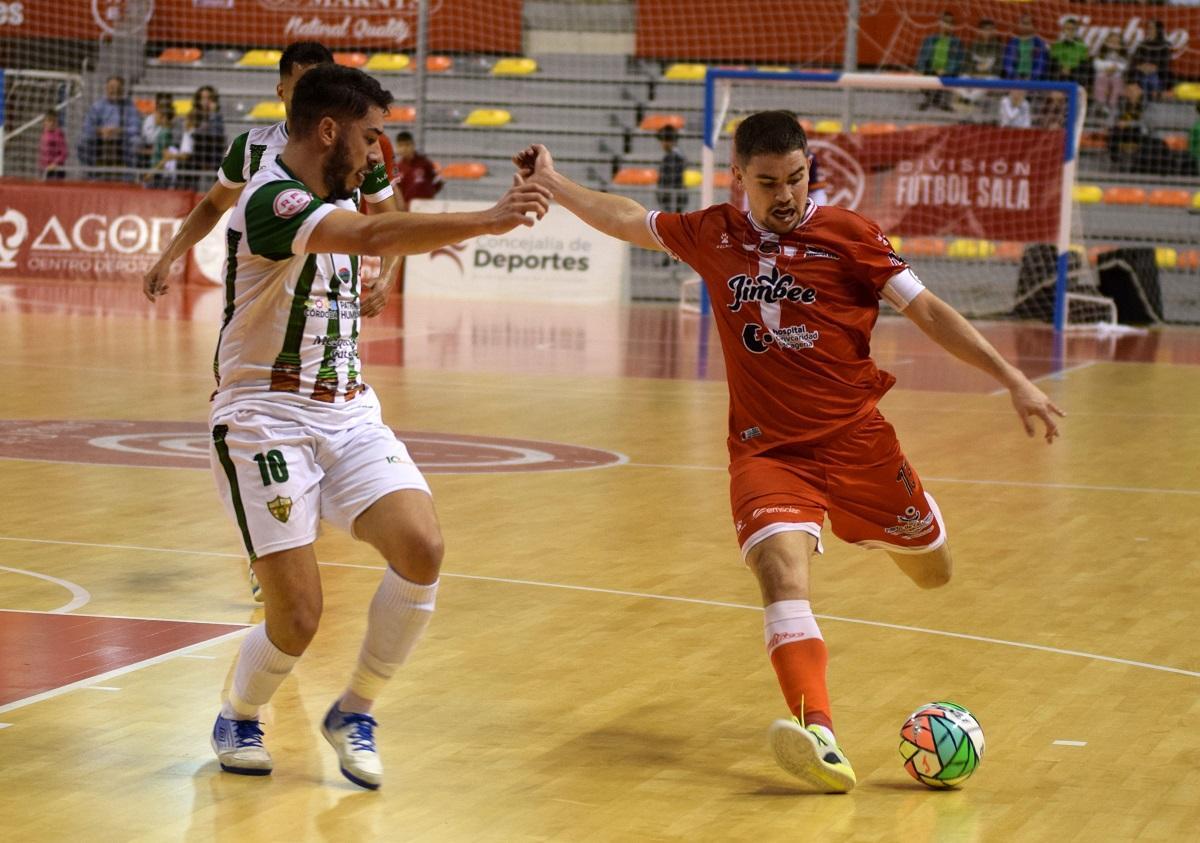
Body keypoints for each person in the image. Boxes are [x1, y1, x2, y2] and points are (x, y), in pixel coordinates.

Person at [513, 111, 1063, 793]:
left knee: (934, 573)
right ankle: (821, 736)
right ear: (738, 176)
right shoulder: (714, 232)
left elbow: (929, 311)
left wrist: (1012, 378)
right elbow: (628, 219)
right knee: (778, 570)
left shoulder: (851, 236)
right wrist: (555, 181)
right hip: (767, 450)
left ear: (812, 172)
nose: (785, 195)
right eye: (767, 181)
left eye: (797, 179)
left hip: (857, 443)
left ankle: (884, 527)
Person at [168, 63, 550, 790]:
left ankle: (355, 709)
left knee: (423, 544)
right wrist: (490, 218)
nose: (379, 157)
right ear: (328, 130)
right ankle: (239, 712)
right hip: (264, 419)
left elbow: (371, 242)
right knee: (300, 616)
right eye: (372, 139)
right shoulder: (273, 199)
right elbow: (374, 236)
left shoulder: (336, 193)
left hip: (346, 409)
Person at [143, 41, 404, 602]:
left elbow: (388, 219)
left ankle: (298, 533)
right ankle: (273, 549)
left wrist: (387, 275)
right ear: (282, 88)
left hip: (327, 311)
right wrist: (170, 253)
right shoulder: (252, 150)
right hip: (267, 307)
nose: (310, 88)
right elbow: (214, 205)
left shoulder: (361, 151)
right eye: (302, 79)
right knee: (261, 406)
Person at [78, 75, 141, 181]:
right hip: (101, 139)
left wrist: (119, 131)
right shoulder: (97, 106)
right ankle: (92, 175)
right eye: (112, 87)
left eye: (118, 87)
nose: (115, 90)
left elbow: (136, 128)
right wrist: (100, 131)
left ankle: (129, 178)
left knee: (136, 141)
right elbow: (87, 127)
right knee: (83, 141)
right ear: (106, 88)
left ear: (122, 89)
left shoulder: (130, 106)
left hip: (122, 139)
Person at [915, 10, 964, 111]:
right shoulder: (930, 39)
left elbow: (958, 60)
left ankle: (943, 101)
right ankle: (928, 99)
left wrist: (946, 70)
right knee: (923, 77)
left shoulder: (956, 42)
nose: (946, 25)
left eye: (950, 23)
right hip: (931, 69)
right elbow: (922, 56)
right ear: (940, 23)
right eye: (945, 22)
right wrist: (920, 69)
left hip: (947, 71)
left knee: (949, 77)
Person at [391, 130, 442, 209]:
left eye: (407, 145)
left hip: (427, 207)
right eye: (401, 145)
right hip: (408, 208)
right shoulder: (397, 168)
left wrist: (429, 195)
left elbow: (438, 182)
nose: (404, 148)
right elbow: (397, 190)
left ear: (413, 145)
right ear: (397, 148)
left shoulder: (425, 164)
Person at [1129, 20, 1173, 100]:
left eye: (1151, 28)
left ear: (1158, 30)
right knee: (1143, 80)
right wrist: (1140, 66)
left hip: (1158, 75)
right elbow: (1134, 61)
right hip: (1140, 73)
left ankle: (1151, 103)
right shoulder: (1142, 44)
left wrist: (1154, 68)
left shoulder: (1165, 45)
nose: (1149, 30)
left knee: (1150, 79)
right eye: (1148, 28)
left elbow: (1165, 64)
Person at [1092, 33, 1129, 120]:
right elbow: (1096, 64)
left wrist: (1115, 68)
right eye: (1112, 41)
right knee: (1102, 82)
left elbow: (1125, 66)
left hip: (1116, 77)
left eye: (1117, 42)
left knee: (1117, 84)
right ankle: (1101, 104)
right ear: (1106, 42)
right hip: (1102, 75)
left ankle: (1113, 106)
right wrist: (1108, 68)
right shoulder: (1101, 53)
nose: (1114, 44)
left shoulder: (1123, 55)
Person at [1003, 14, 1049, 81]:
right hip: (1014, 79)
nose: (1025, 27)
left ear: (1033, 26)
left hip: (1034, 80)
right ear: (1018, 25)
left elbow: (1041, 64)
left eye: (1027, 24)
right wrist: (1014, 76)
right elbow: (1008, 62)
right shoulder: (1013, 42)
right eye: (1023, 23)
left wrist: (1032, 77)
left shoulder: (1040, 43)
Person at [1049, 17, 1091, 90]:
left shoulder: (1082, 46)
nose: (1070, 31)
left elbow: (1083, 63)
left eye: (1072, 29)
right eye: (1067, 29)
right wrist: (1062, 68)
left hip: (1076, 75)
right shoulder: (1057, 45)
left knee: (1083, 71)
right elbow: (1054, 60)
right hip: (1060, 74)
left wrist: (1070, 69)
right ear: (1063, 30)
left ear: (1076, 31)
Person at [655, 124, 687, 213]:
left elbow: (672, 180)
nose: (661, 144)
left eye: (662, 141)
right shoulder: (677, 155)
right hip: (673, 199)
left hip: (673, 199)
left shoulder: (674, 157)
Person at [38, 111, 68, 180]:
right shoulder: (44, 134)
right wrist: (41, 166)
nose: (51, 123)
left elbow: (64, 153)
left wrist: (55, 164)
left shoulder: (58, 134)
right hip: (45, 169)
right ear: (44, 122)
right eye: (49, 121)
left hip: (56, 170)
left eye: (53, 121)